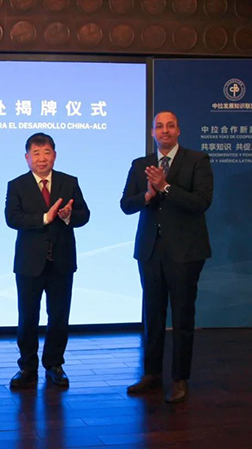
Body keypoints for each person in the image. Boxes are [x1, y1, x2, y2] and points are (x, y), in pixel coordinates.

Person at [121, 111, 213, 403]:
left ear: (178, 130)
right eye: (159, 126)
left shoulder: (197, 160)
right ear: (152, 133)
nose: (165, 131)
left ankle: (180, 378)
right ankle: (152, 374)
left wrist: (166, 187)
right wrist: (148, 195)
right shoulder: (140, 164)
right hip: (150, 250)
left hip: (186, 251)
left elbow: (201, 203)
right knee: (152, 315)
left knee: (183, 316)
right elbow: (126, 205)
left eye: (170, 126)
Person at [5, 132, 90, 389]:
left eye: (47, 153)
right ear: (27, 157)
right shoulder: (17, 185)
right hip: (29, 263)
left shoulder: (69, 182)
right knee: (27, 317)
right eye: (36, 153)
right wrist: (45, 218)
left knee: (59, 316)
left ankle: (54, 365)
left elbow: (84, 215)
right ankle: (27, 367)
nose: (42, 158)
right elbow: (12, 219)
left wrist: (68, 216)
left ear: (54, 155)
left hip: (62, 261)